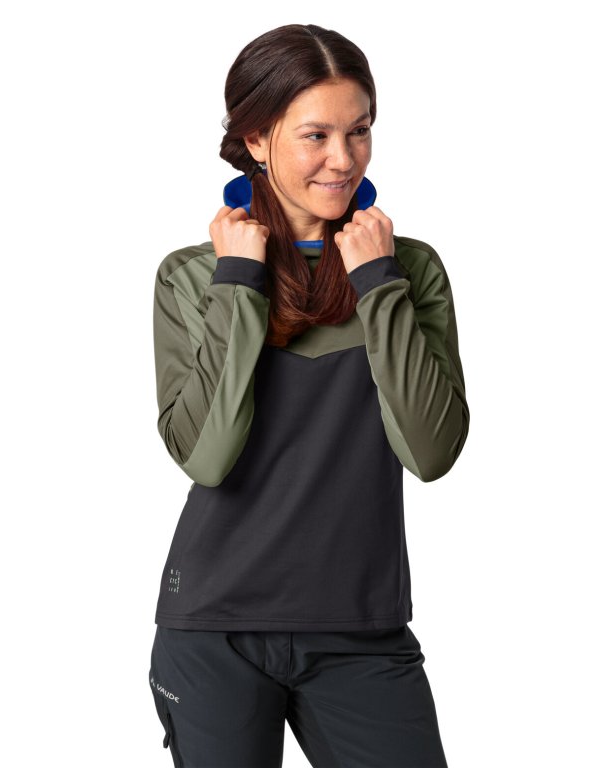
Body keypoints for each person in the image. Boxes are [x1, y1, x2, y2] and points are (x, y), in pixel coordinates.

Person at [148, 23, 469, 767]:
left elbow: (431, 452)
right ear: (257, 139)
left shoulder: (407, 269)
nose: (344, 158)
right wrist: (239, 280)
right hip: (215, 628)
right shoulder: (192, 276)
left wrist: (378, 284)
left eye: (359, 131)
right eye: (316, 135)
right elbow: (206, 456)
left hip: (361, 629)